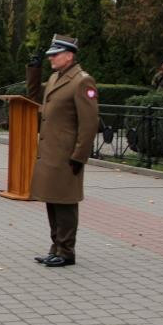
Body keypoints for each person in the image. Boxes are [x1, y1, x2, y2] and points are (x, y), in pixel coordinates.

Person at [27, 35, 99, 268]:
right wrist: (34, 70)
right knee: (52, 200)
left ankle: (67, 251)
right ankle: (56, 247)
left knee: (66, 203)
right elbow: (35, 96)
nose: (51, 58)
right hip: (51, 153)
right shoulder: (56, 77)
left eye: (54, 55)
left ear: (69, 56)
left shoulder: (82, 82)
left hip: (67, 155)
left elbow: (89, 124)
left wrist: (79, 156)